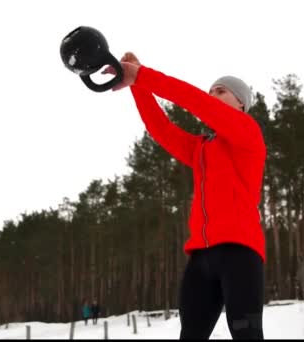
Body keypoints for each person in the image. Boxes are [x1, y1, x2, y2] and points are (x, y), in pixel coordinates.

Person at [103, 52, 266, 339]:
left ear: (241, 103)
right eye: (211, 90)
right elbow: (161, 129)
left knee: (246, 334)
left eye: (221, 90)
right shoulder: (201, 148)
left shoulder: (248, 133)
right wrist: (138, 86)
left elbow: (195, 101)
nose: (212, 94)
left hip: (240, 253)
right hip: (201, 259)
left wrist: (142, 75)